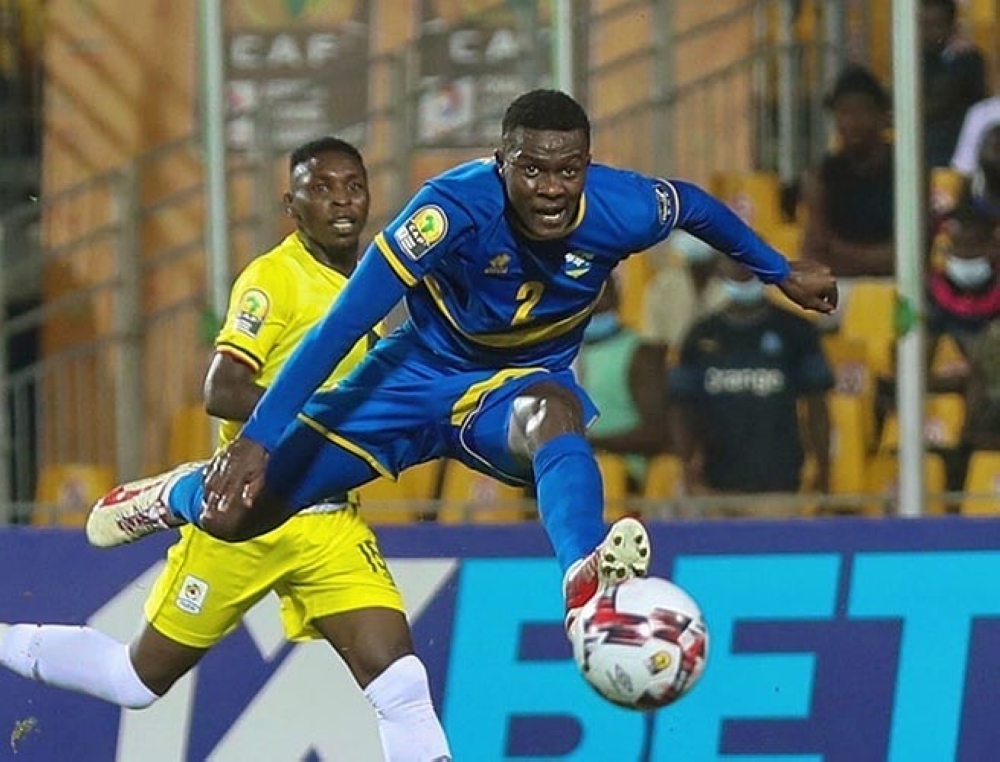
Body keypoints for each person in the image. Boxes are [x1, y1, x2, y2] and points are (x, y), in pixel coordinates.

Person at [86, 89, 837, 637]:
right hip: (412, 373)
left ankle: (581, 577)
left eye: (567, 170)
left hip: (510, 386)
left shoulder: (627, 206)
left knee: (558, 413)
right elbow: (347, 320)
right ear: (501, 161)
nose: (550, 189)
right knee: (241, 516)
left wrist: (778, 270)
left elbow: (698, 206)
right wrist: (258, 436)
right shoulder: (447, 208)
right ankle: (172, 495)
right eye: (532, 170)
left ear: (587, 165)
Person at [0, 138, 452, 762]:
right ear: (290, 204)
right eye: (321, 188)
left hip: (328, 522)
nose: (342, 200)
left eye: (353, 185)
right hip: (242, 516)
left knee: (402, 683)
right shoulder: (274, 278)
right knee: (136, 682)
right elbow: (223, 388)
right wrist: (320, 427)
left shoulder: (373, 279)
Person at [668, 257, 834, 514]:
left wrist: (824, 471)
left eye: (749, 263)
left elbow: (817, 406)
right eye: (734, 263)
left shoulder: (797, 332)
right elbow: (681, 406)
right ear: (720, 269)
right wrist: (686, 466)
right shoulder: (700, 335)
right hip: (715, 486)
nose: (742, 271)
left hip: (778, 487)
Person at [800, 65, 896, 280]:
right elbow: (815, 254)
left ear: (882, 116)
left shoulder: (906, 171)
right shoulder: (822, 175)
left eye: (861, 111)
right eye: (844, 112)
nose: (852, 122)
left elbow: (908, 255)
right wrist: (872, 259)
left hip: (896, 284)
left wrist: (840, 250)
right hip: (838, 285)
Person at [576, 275, 670, 492]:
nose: (596, 304)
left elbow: (655, 433)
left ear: (617, 298)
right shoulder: (555, 354)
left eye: (604, 296)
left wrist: (590, 443)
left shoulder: (641, 353)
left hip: (624, 478)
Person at [920, 0, 987, 168]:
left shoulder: (967, 59)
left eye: (935, 25)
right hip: (925, 154)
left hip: (958, 153)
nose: (928, 33)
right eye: (923, 25)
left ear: (952, 27)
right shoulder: (919, 61)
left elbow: (939, 102)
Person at [640, 229, 727, 355]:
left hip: (727, 367)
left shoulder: (735, 283)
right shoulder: (663, 286)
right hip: (678, 366)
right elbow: (653, 342)